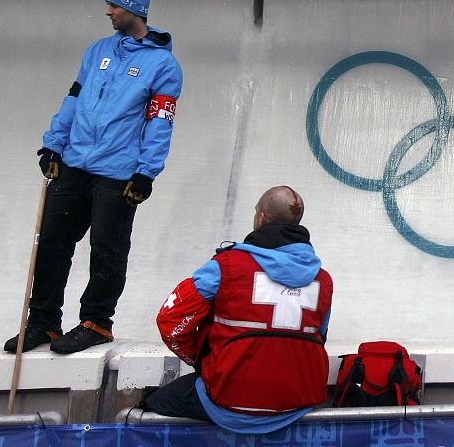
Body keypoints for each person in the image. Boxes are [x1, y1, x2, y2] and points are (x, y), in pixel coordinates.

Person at [4, 0, 183, 354]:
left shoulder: (163, 64)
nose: (108, 12)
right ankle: (43, 323)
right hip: (74, 164)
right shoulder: (97, 50)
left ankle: (97, 323)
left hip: (117, 174)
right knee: (52, 243)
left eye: (114, 6)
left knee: (107, 250)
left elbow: (159, 121)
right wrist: (54, 144)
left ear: (134, 10)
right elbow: (74, 98)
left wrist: (146, 171)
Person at [141, 186, 334, 434]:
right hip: (296, 403)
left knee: (148, 408)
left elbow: (172, 321)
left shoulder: (226, 265)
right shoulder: (323, 280)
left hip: (228, 399)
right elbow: (320, 335)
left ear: (261, 218)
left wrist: (201, 360)